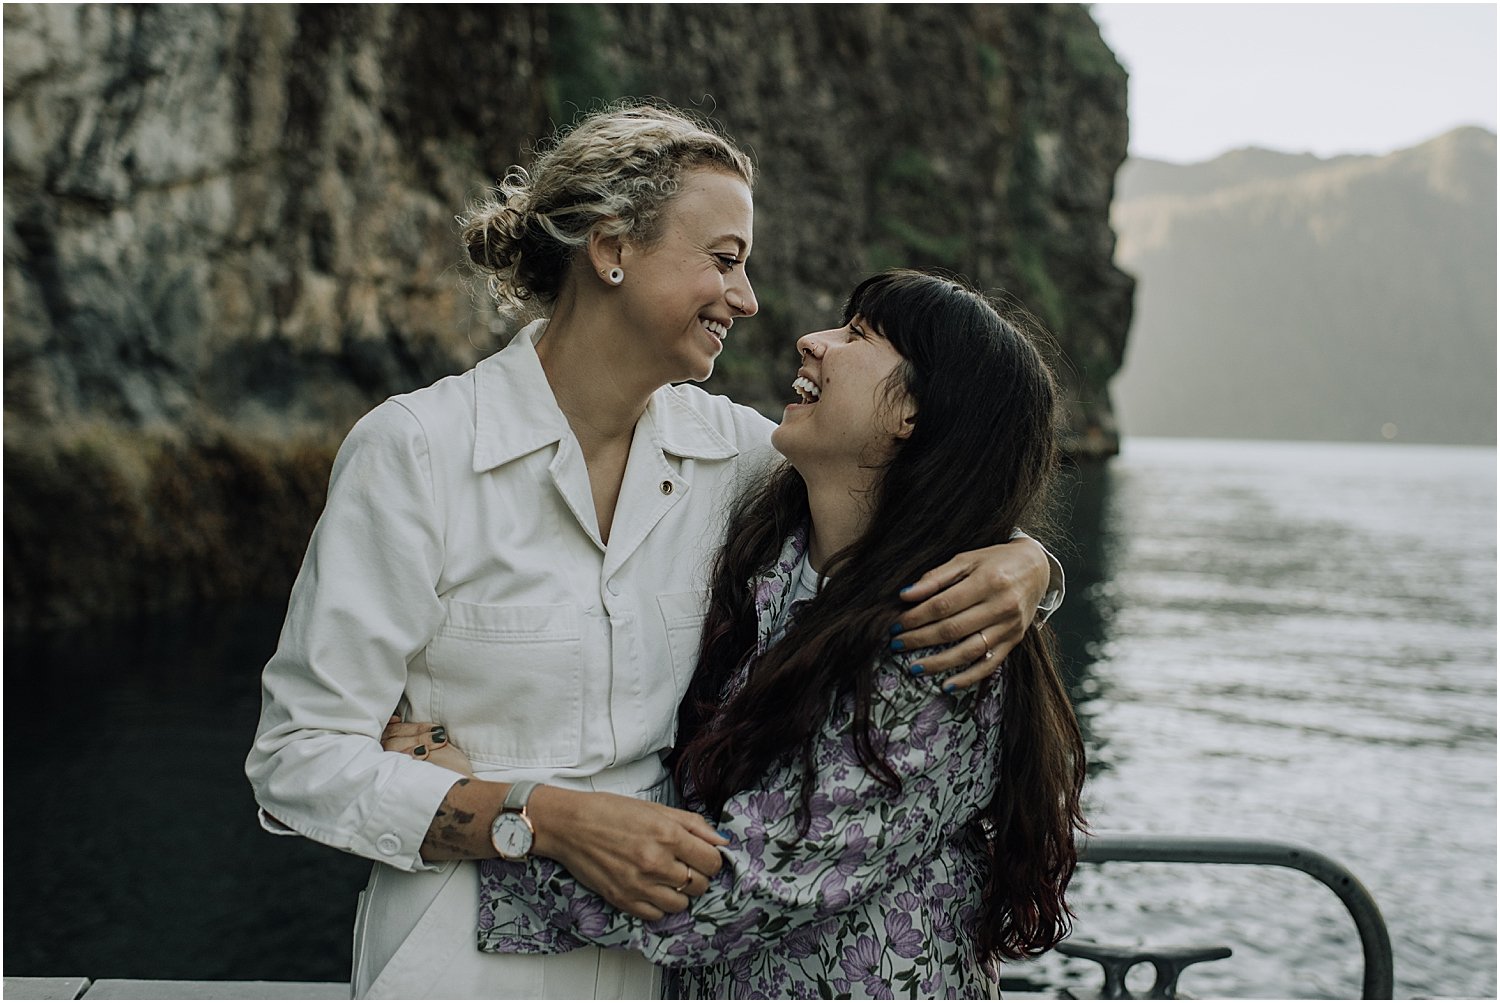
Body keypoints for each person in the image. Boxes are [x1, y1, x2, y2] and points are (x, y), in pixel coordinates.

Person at [245, 104, 1063, 999]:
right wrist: (526, 815)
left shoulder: (737, 455)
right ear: (611, 249)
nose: (748, 301)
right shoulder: (418, 450)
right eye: (723, 259)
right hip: (462, 949)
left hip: (664, 962)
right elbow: (298, 759)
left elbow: (911, 487)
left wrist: (1026, 564)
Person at [391, 269, 1087, 999]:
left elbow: (725, 894)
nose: (810, 341)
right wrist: (1032, 558)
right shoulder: (773, 554)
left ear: (912, 413)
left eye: (857, 336)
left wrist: (491, 813)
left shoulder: (934, 643)